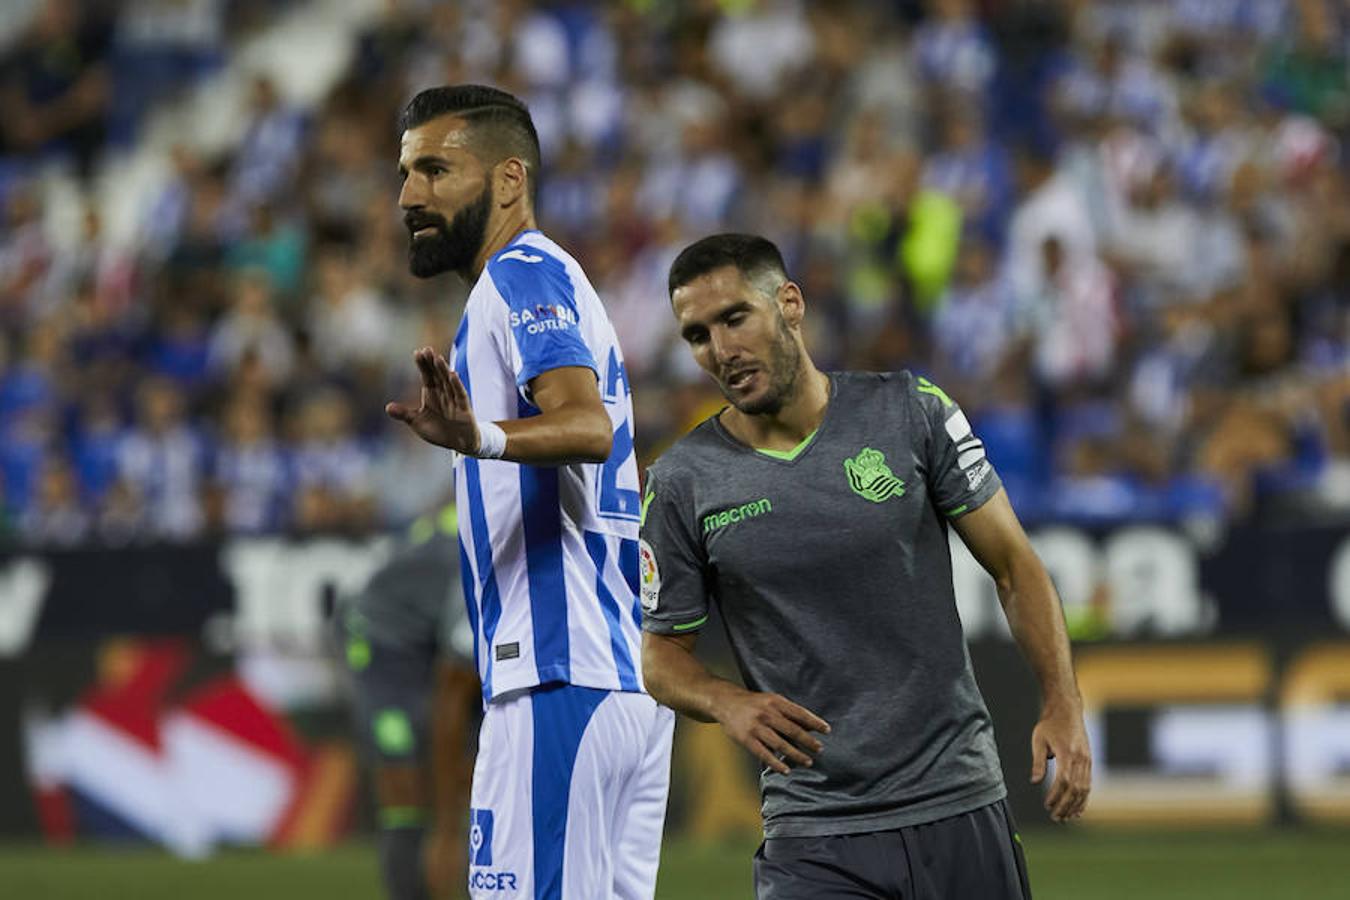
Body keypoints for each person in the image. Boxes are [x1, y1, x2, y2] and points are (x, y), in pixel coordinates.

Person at [640, 233, 1092, 899]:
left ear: (789, 304)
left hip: (955, 801)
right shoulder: (682, 482)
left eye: (736, 317)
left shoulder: (910, 411)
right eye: (698, 335)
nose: (721, 350)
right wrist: (724, 701)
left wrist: (1062, 701)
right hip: (813, 832)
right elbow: (659, 656)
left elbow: (1014, 564)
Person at [385, 85, 673, 899]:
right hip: (614, 680)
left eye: (436, 170)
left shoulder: (519, 276)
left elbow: (587, 427)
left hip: (559, 676)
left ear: (509, 179)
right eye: (406, 173)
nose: (410, 195)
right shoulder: (555, 280)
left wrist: (479, 436)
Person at [340, 503, 480, 900]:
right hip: (380, 646)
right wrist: (446, 832)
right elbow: (452, 692)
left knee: (473, 776)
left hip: (428, 643)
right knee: (403, 787)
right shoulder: (473, 562)